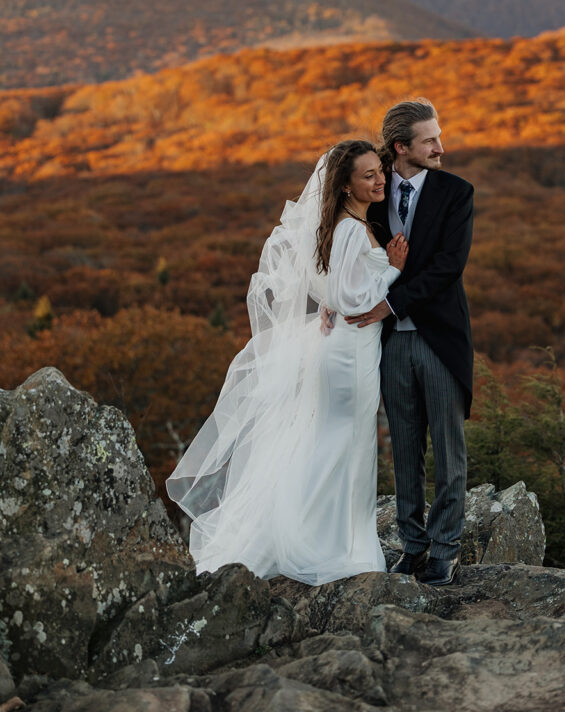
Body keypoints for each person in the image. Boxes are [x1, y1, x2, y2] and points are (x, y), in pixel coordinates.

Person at [166, 140, 408, 585]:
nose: (380, 180)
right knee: (345, 444)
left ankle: (322, 535)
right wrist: (393, 268)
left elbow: (328, 288)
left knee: (332, 441)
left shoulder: (335, 224)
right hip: (351, 352)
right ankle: (332, 546)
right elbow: (349, 298)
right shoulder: (353, 229)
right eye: (368, 175)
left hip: (339, 348)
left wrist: (341, 295)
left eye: (380, 171)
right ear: (346, 186)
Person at [346, 99, 474, 587]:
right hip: (387, 347)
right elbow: (348, 256)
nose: (441, 147)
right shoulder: (370, 196)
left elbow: (448, 267)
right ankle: (412, 545)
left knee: (447, 448)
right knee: (403, 448)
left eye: (438, 138)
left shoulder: (457, 193)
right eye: (429, 141)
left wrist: (391, 304)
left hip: (440, 339)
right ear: (402, 147)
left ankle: (445, 550)